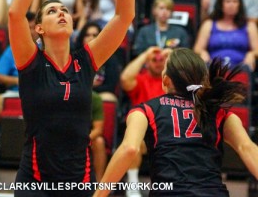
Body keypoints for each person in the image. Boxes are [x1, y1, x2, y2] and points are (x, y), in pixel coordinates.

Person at [8, 0, 134, 196]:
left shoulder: (85, 62)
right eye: (52, 11)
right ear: (39, 28)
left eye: (64, 10)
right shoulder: (31, 62)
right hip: (35, 183)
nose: (61, 13)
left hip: (79, 183)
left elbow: (124, 17)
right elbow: (15, 13)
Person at [94, 48, 258, 197]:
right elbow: (247, 148)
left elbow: (129, 149)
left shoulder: (145, 110)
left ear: (165, 81)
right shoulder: (220, 114)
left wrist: (99, 194)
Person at [120, 46, 170, 197]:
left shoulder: (170, 81)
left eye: (162, 60)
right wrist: (145, 54)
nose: (158, 63)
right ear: (147, 62)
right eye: (154, 60)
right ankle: (133, 185)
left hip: (167, 127)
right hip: (143, 128)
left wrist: (173, 56)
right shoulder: (141, 79)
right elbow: (125, 79)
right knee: (134, 141)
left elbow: (191, 79)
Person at [194, 0, 258, 71]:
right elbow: (197, 48)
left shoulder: (249, 25)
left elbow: (257, 50)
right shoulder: (208, 24)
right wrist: (203, 53)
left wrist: (251, 54)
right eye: (228, 2)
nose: (231, 4)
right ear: (221, 5)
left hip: (241, 67)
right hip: (213, 68)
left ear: (240, 5)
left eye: (235, 2)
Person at [0, 12, 38, 116]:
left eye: (33, 28)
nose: (31, 31)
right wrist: (18, 80)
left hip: (39, 93)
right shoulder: (12, 49)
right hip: (16, 93)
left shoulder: (46, 49)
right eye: (27, 28)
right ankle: (14, 127)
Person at [74, 22, 119, 103]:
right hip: (78, 93)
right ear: (82, 38)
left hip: (100, 93)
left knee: (108, 97)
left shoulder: (110, 58)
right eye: (87, 35)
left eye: (95, 35)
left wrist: (89, 87)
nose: (91, 38)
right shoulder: (74, 57)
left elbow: (110, 86)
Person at [90, 92, 107, 182]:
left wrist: (81, 139)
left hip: (86, 136)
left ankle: (99, 182)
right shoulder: (59, 96)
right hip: (62, 135)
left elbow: (98, 129)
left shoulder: (94, 98)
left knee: (99, 141)